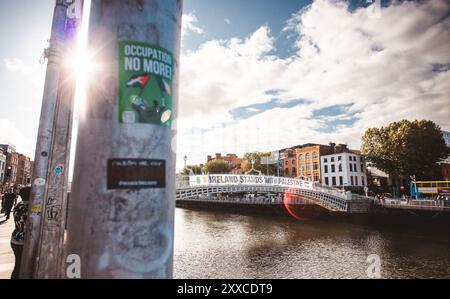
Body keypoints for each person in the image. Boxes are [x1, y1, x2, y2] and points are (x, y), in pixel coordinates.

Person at [10, 186, 30, 279]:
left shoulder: (18, 205)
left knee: (18, 266)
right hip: (23, 242)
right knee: (24, 268)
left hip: (15, 239)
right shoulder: (29, 208)